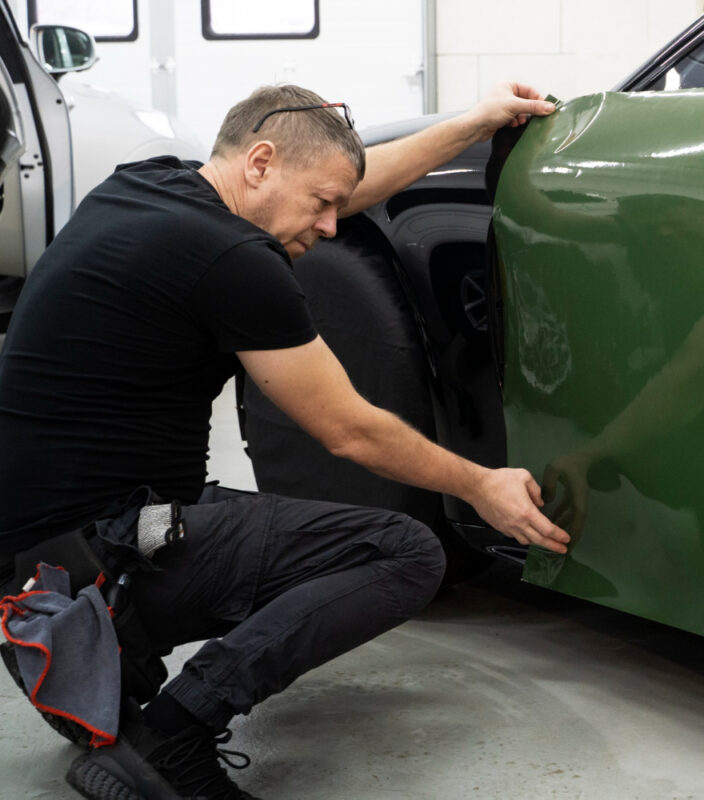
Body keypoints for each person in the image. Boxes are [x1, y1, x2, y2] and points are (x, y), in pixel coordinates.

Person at [0, 82, 568, 799]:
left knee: (211, 514)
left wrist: (472, 124)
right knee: (403, 553)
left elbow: (351, 187)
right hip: (108, 551)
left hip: (39, 576)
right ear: (261, 162)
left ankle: (104, 657)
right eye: (321, 205)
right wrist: (482, 483)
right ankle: (168, 739)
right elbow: (350, 431)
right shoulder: (231, 258)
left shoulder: (151, 186)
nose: (333, 227)